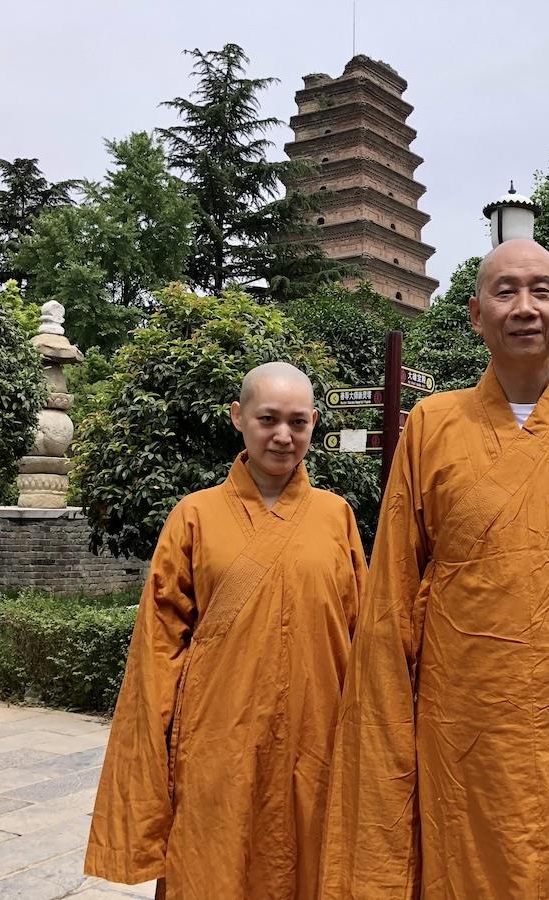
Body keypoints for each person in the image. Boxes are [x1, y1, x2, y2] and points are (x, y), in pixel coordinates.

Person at [321, 239, 549, 899]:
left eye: (540, 291)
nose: (524, 307)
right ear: (475, 314)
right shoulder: (432, 424)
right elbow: (388, 613)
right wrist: (384, 774)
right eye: (505, 291)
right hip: (464, 743)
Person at [85, 362, 367, 899]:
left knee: (313, 867)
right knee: (214, 867)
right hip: (219, 739)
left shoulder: (337, 517)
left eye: (298, 422)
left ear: (313, 424)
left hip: (317, 737)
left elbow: (363, 638)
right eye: (267, 419)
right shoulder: (194, 516)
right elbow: (158, 650)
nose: (283, 436)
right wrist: (154, 751)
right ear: (239, 418)